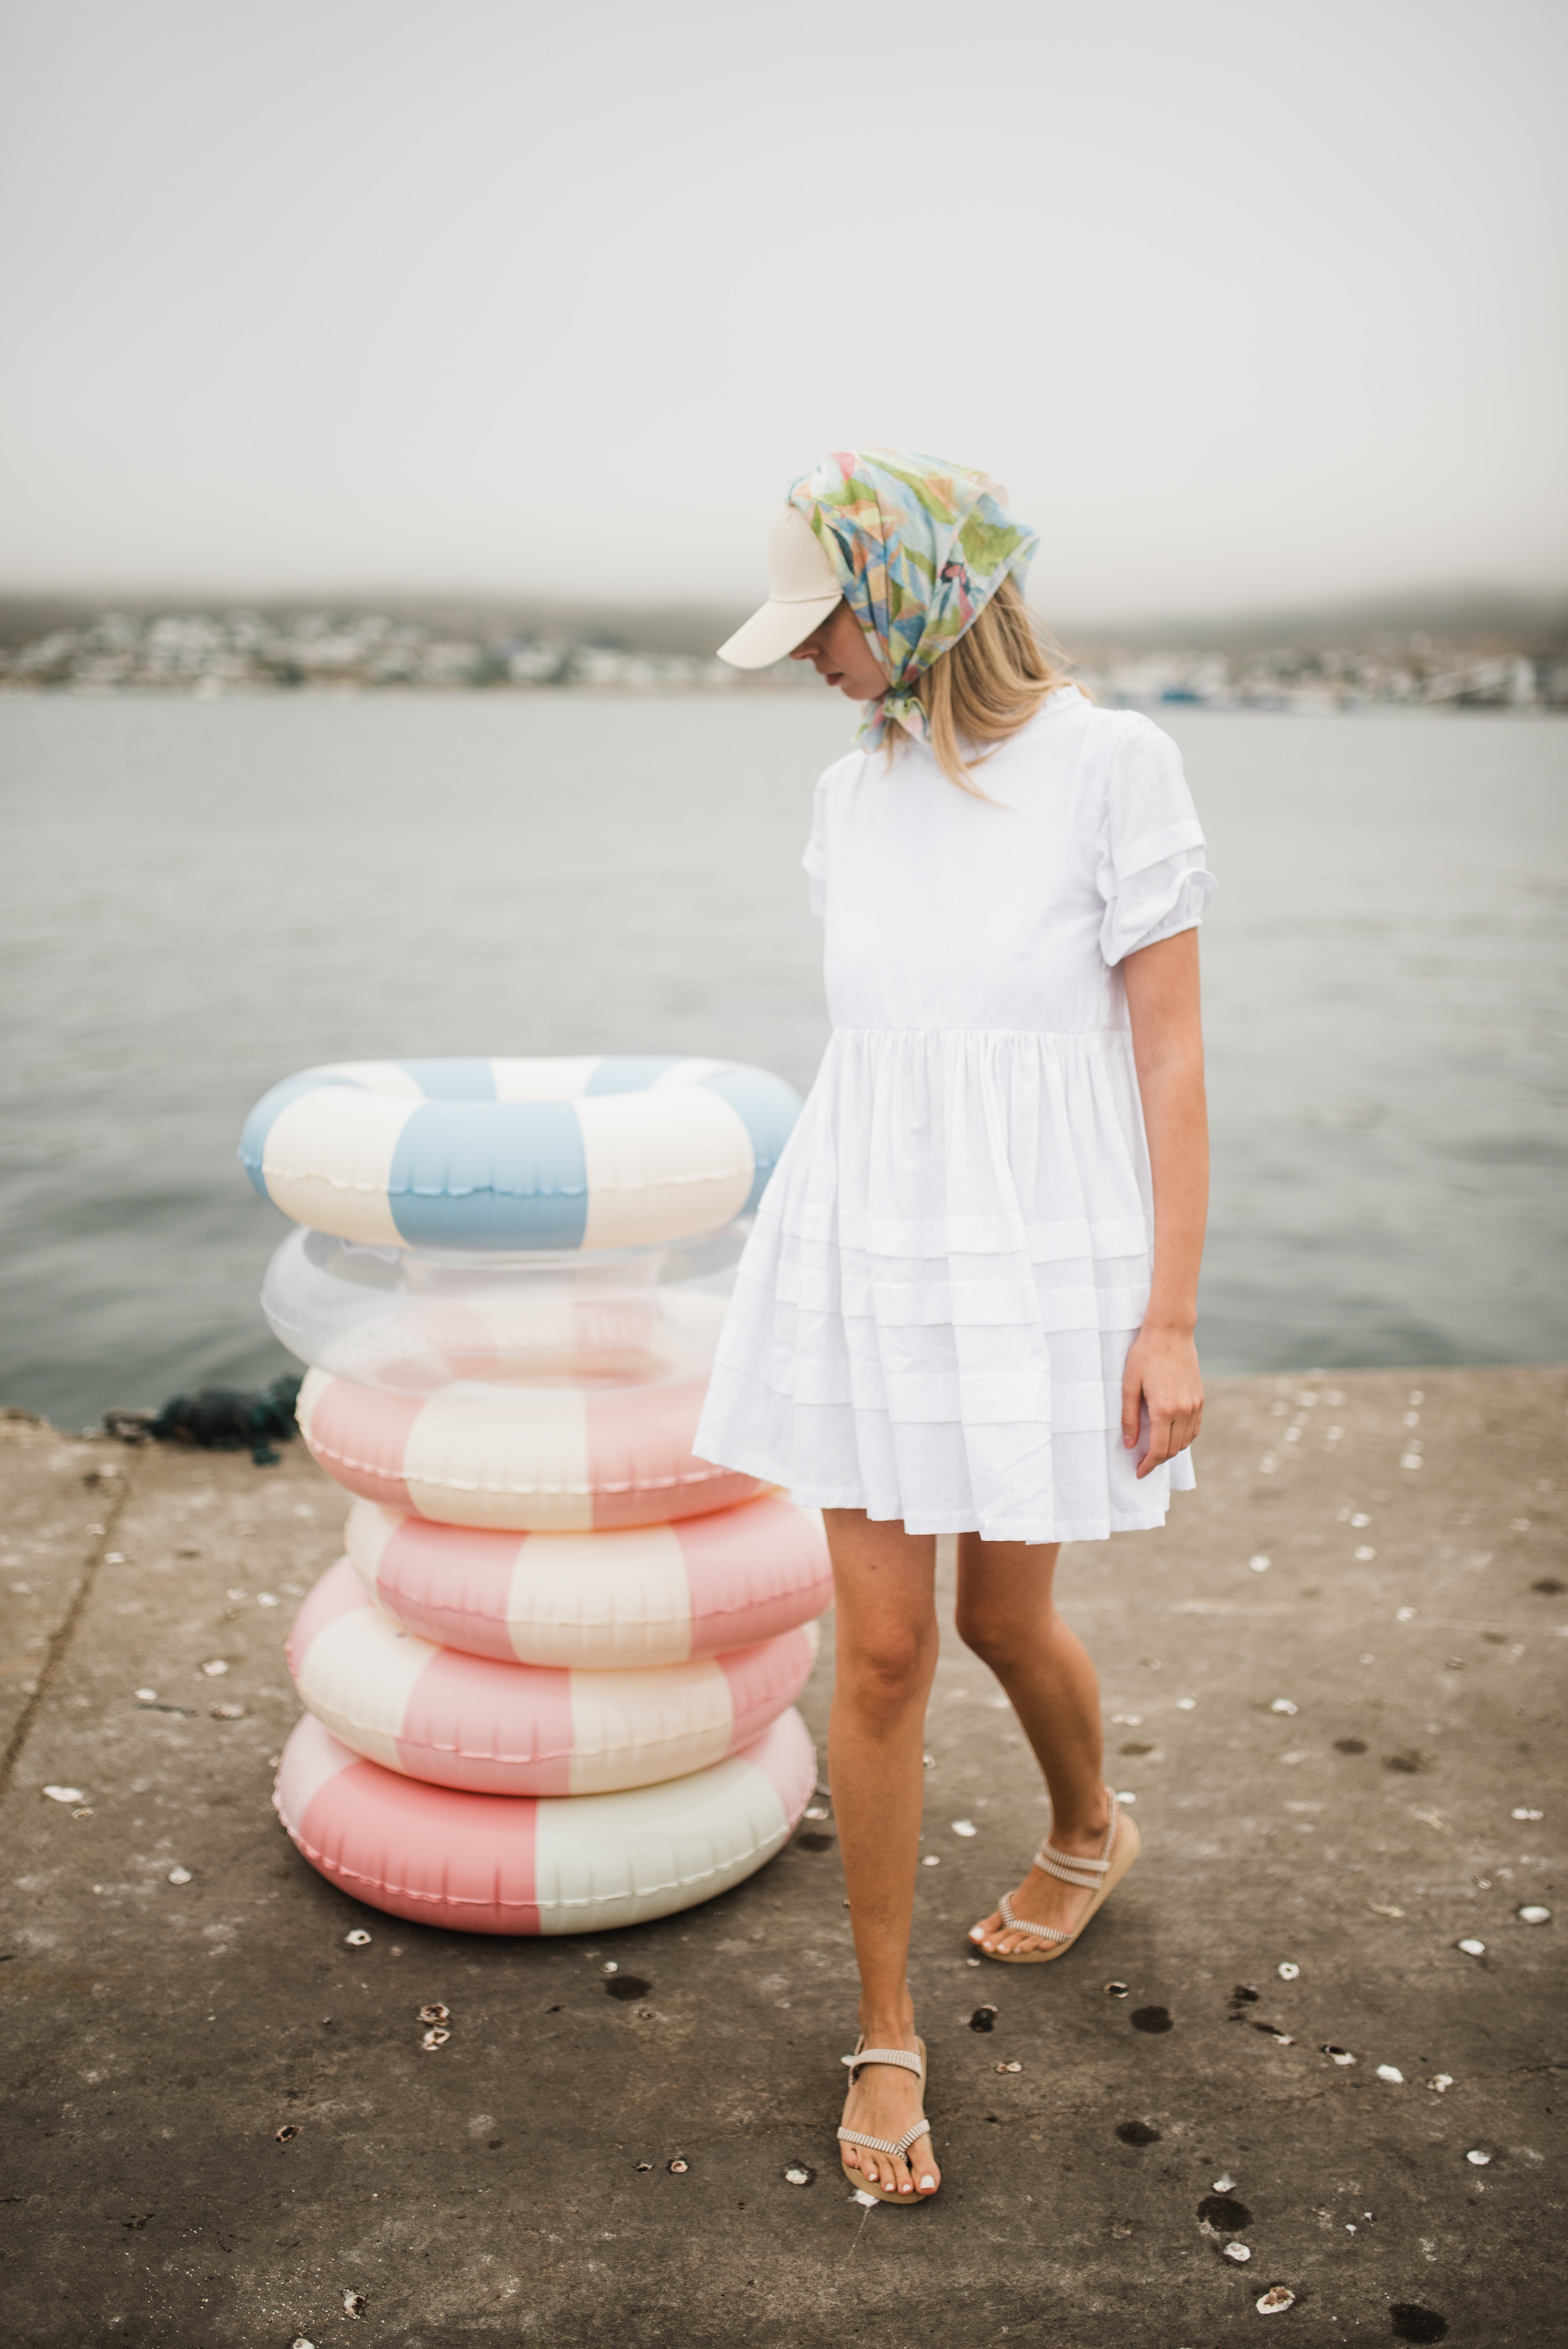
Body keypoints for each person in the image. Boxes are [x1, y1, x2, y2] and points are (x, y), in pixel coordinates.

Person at [693, 451, 1213, 2208]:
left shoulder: (1112, 765)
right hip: (866, 1252)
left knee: (1006, 1612)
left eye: (819, 626)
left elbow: (1166, 1057)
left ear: (906, 594)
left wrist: (1168, 1316)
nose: (807, 666)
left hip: (1040, 1260)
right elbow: (891, 1056)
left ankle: (1088, 1827)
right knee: (887, 1646)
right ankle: (884, 2027)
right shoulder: (850, 797)